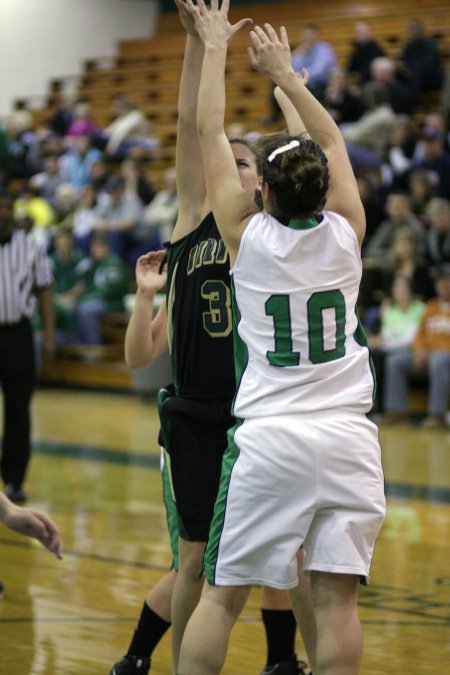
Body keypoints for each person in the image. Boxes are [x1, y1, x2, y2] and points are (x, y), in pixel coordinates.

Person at [176, 4, 385, 675]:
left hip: (272, 439)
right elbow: (335, 143)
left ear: (260, 190)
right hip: (350, 436)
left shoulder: (246, 237)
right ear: (325, 188)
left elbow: (208, 129)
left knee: (221, 598)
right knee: (336, 609)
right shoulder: (348, 229)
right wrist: (288, 80)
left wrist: (213, 45)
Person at [110, 3, 314, 674]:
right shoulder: (199, 218)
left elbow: (304, 160)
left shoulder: (271, 238)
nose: (226, 161)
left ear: (263, 178)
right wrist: (200, 43)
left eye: (242, 159)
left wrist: (287, 88)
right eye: (223, 157)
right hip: (196, 416)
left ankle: (284, 660)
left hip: (255, 415)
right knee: (198, 557)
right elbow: (191, 126)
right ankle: (152, 660)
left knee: (276, 555)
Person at [0, 190, 55, 503]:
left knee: (19, 410)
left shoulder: (31, 246)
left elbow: (45, 290)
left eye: (7, 206)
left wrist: (48, 335)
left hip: (18, 334)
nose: (4, 213)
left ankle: (14, 479)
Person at [381, 264, 450, 428]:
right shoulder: (431, 307)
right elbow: (420, 335)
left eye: (447, 281)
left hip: (442, 357)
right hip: (426, 356)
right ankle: (398, 411)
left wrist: (435, 352)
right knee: (396, 361)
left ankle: (437, 414)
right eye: (440, 282)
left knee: (438, 360)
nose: (444, 285)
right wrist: (419, 350)